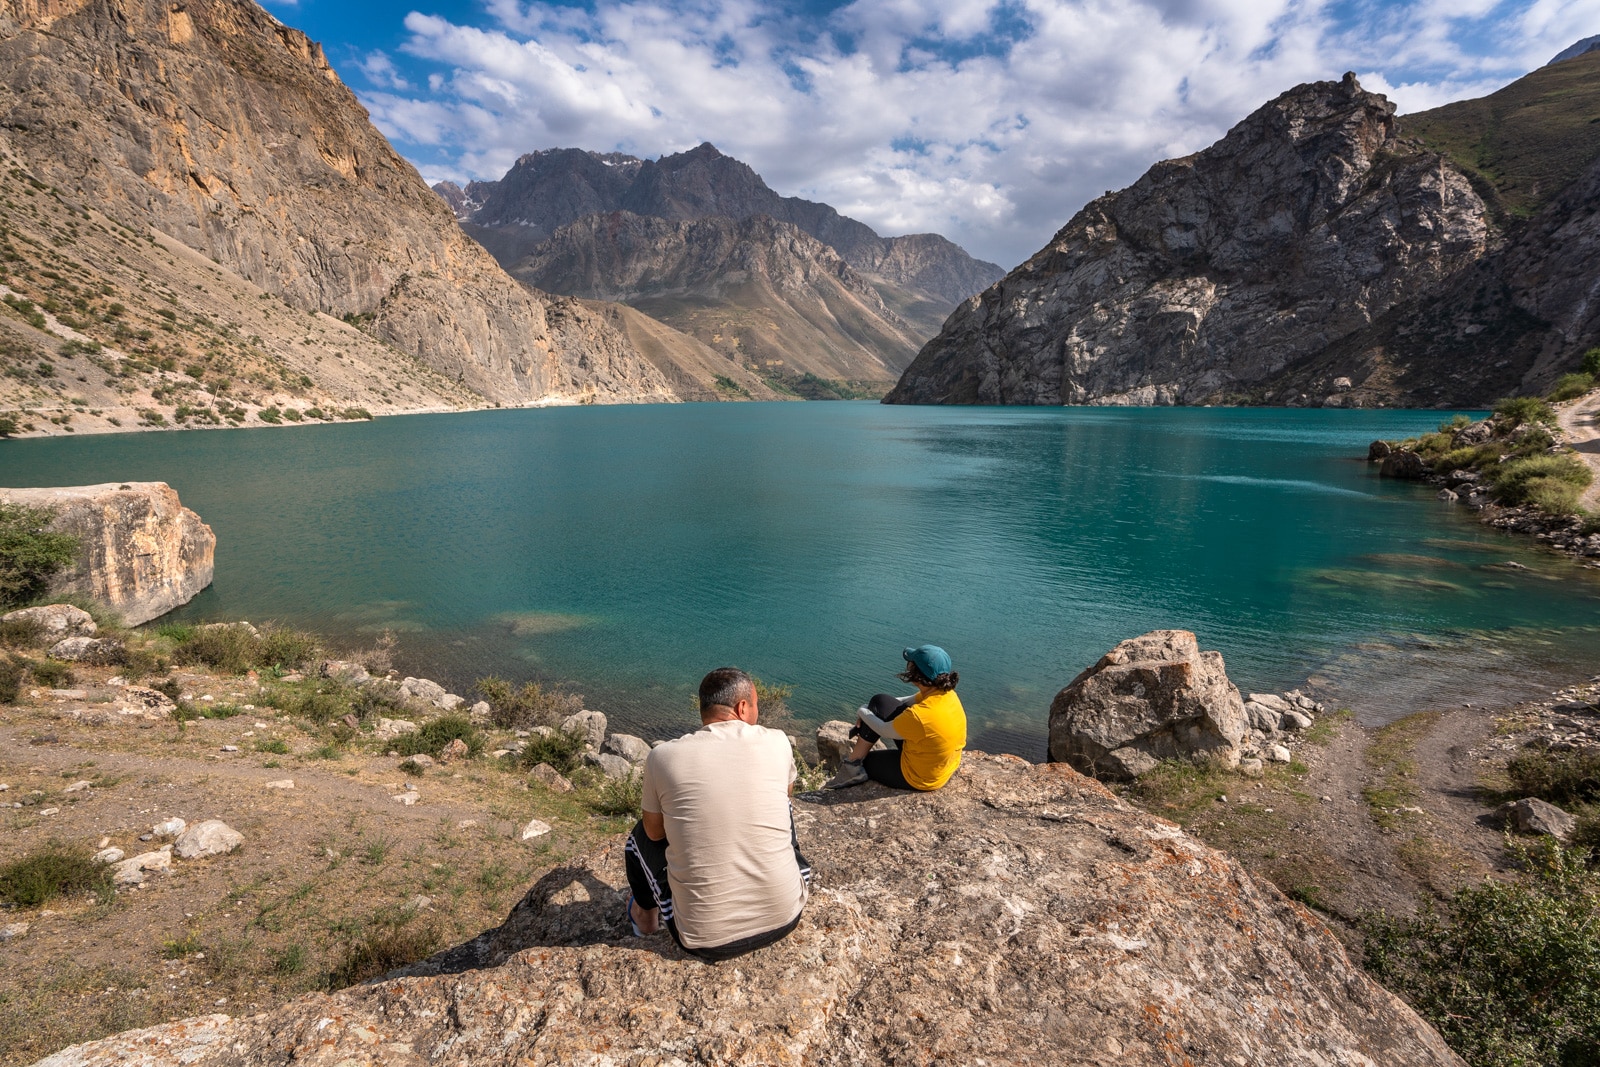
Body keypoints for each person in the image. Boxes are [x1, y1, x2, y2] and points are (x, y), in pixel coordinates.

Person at [623, 666, 811, 961]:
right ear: (742, 707)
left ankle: (645, 918)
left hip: (706, 940)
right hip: (787, 915)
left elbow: (655, 834)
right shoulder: (778, 741)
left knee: (638, 837)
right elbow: (785, 797)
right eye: (757, 705)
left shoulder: (663, 756)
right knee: (779, 806)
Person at [825, 645, 966, 791]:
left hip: (921, 777)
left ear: (917, 673)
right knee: (879, 701)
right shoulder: (945, 695)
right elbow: (903, 701)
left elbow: (883, 730)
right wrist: (870, 708)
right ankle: (852, 764)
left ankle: (852, 767)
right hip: (939, 766)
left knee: (866, 763)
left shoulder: (919, 715)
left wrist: (861, 711)